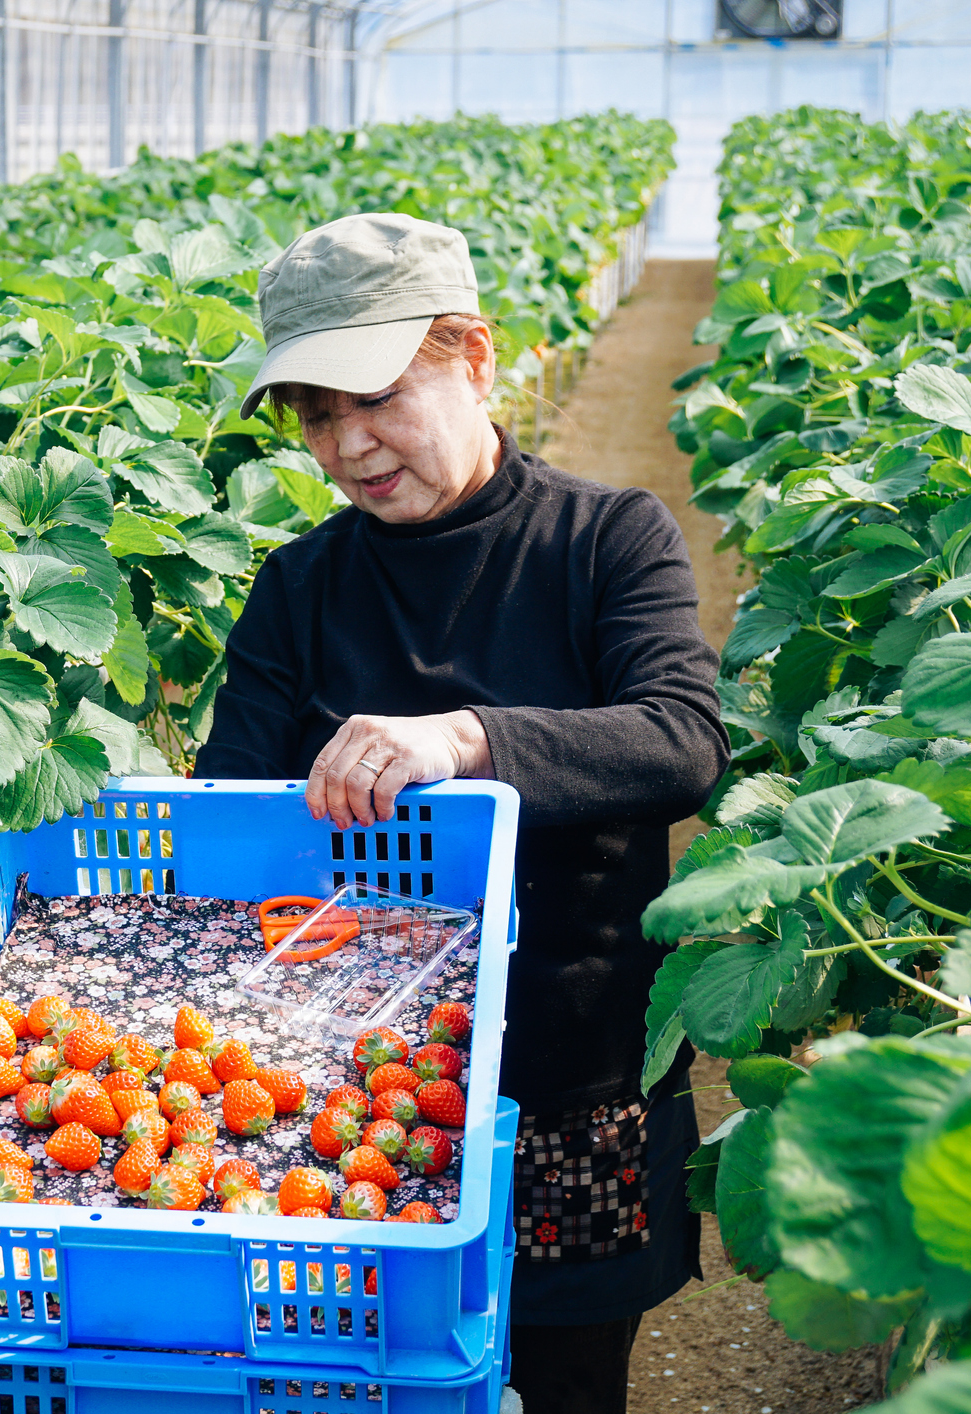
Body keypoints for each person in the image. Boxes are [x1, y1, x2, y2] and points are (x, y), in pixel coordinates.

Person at [196, 212, 729, 1414]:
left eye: (375, 396)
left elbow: (684, 741)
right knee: (364, 1374)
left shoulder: (606, 542)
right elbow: (230, 807)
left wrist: (468, 738)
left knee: (568, 1374)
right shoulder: (299, 588)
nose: (347, 443)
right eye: (317, 416)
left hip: (565, 1068)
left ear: (474, 356)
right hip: (347, 1089)